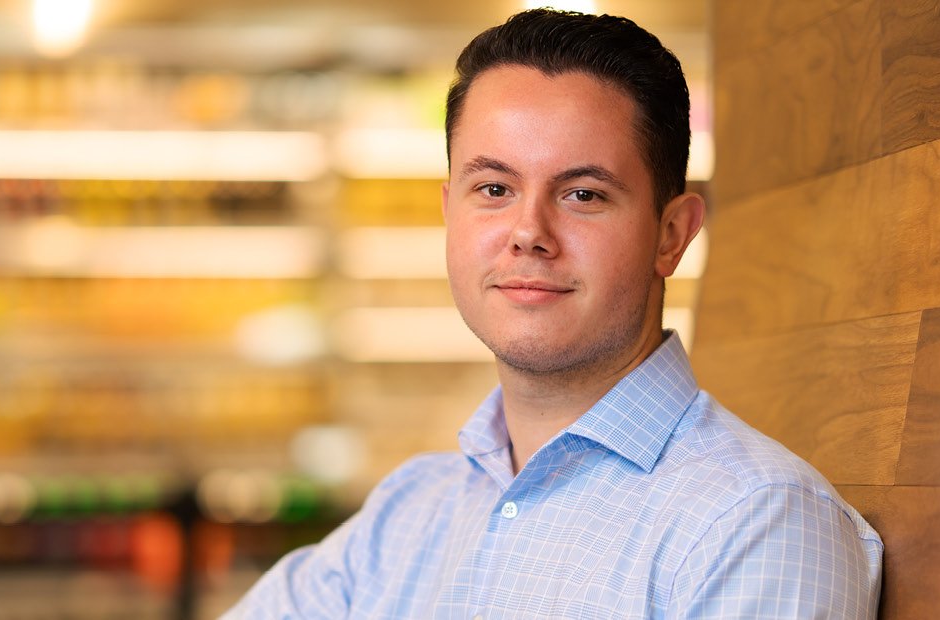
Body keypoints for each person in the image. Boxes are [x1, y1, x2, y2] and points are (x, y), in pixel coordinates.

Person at [226, 9, 882, 618]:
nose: (528, 231)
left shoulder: (756, 524)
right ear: (449, 211)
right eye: (493, 189)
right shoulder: (408, 512)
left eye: (583, 194)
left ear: (672, 234)